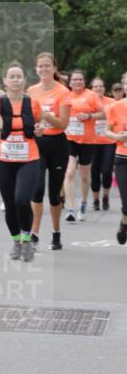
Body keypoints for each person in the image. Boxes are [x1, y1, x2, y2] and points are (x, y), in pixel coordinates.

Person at [0, 63, 43, 261]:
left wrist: (39, 130)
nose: (15, 80)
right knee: (10, 204)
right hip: (3, 158)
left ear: (24, 80)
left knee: (22, 199)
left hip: (28, 158)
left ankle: (26, 239)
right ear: (5, 80)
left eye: (19, 76)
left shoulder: (33, 103)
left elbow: (39, 125)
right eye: (11, 76)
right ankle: (16, 241)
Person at [28, 52, 71, 251]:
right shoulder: (31, 91)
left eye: (47, 65)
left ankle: (56, 232)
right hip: (37, 144)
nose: (44, 69)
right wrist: (33, 126)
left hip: (57, 145)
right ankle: (34, 233)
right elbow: (28, 118)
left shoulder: (63, 92)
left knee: (54, 194)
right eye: (40, 66)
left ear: (54, 68)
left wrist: (46, 115)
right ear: (36, 69)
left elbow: (63, 124)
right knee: (36, 190)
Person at [63, 69, 105, 222]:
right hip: (69, 139)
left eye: (80, 79)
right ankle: (70, 208)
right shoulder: (65, 96)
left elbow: (103, 114)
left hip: (87, 141)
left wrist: (89, 116)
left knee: (85, 176)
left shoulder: (91, 96)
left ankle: (84, 203)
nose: (77, 81)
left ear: (84, 81)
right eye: (74, 79)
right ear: (70, 82)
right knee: (69, 172)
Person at [89, 77, 116, 212]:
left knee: (106, 171)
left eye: (101, 86)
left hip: (109, 141)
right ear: (91, 89)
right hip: (92, 141)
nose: (98, 88)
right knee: (94, 171)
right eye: (96, 86)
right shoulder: (88, 102)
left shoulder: (111, 102)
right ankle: (96, 200)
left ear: (104, 88)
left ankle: (105, 196)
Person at [105, 97, 127, 245]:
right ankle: (124, 223)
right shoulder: (116, 107)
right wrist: (117, 136)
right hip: (122, 158)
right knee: (126, 198)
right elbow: (107, 131)